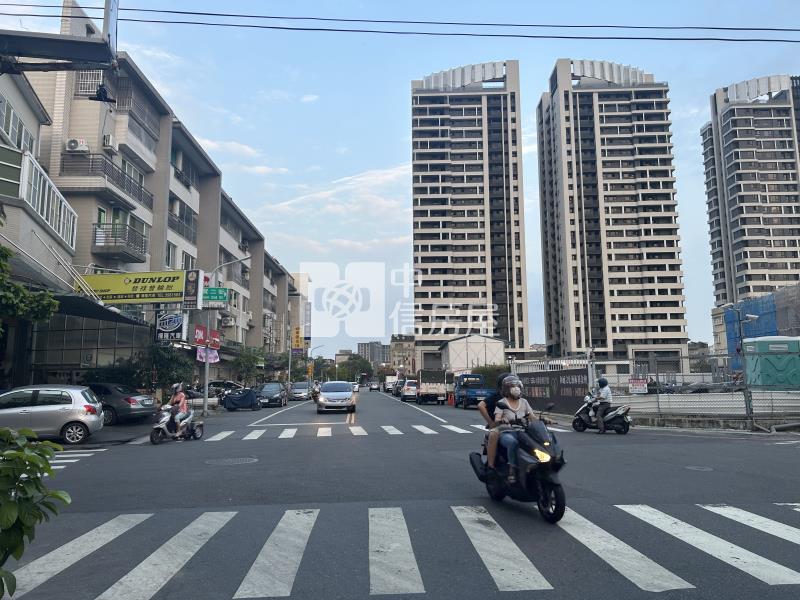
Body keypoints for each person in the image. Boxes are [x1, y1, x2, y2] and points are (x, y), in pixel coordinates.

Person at [493, 375, 535, 483]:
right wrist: (502, 419)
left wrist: (545, 419)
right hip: (507, 432)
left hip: (523, 431)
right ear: (506, 389)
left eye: (518, 386)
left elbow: (532, 416)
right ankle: (512, 468)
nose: (516, 389)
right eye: (513, 386)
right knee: (513, 443)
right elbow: (497, 417)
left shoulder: (524, 402)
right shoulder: (502, 402)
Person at [477, 372, 511, 473]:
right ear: (502, 386)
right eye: (509, 384)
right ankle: (491, 466)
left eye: (514, 384)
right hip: (500, 426)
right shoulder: (496, 396)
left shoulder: (517, 397)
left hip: (515, 427)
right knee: (495, 435)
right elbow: (480, 405)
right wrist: (491, 422)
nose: (513, 387)